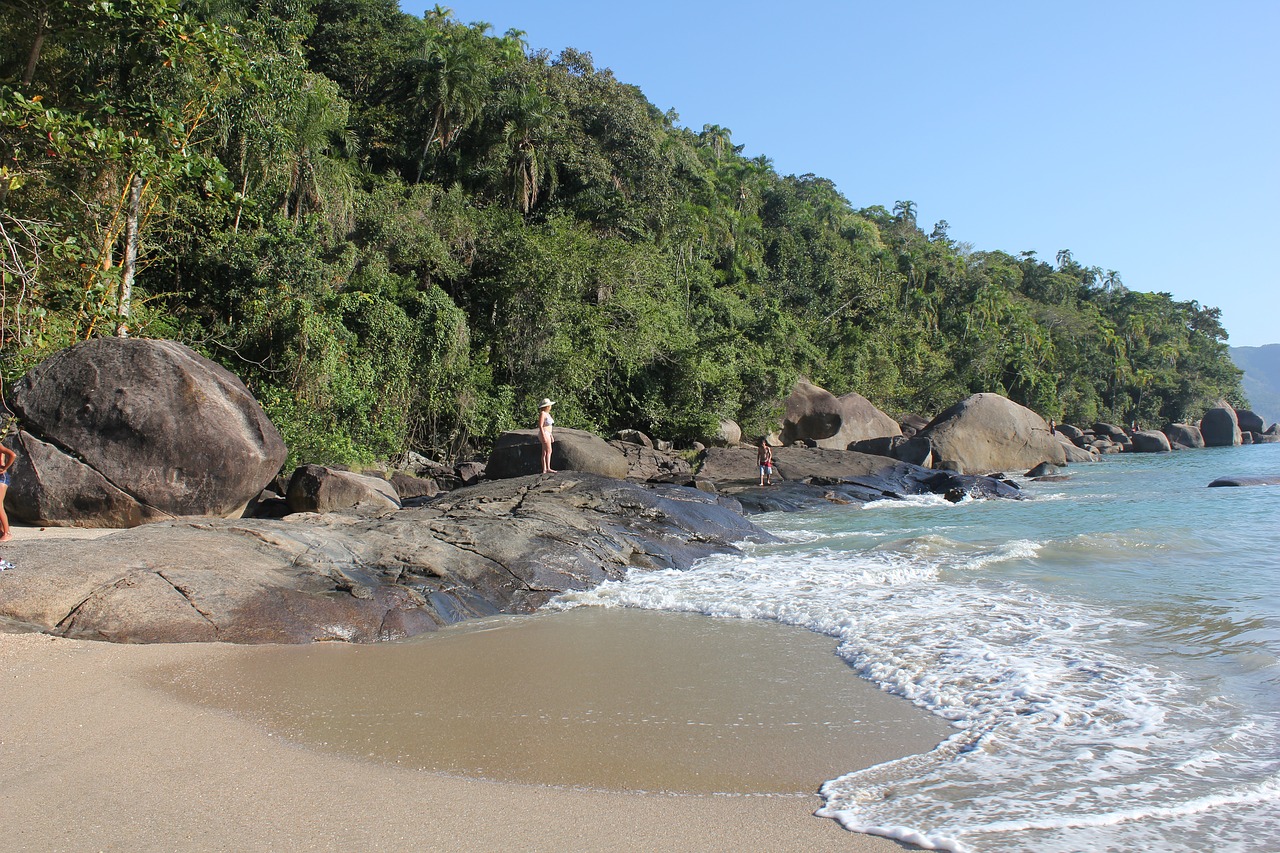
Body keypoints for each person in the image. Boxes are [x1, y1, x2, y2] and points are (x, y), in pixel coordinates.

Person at [537, 398, 556, 474]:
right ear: (547, 406)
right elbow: (541, 425)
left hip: (548, 433)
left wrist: (551, 435)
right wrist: (543, 435)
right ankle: (547, 468)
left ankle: (545, 468)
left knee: (545, 451)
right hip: (544, 432)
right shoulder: (543, 414)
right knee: (548, 451)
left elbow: (549, 425)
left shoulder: (547, 414)